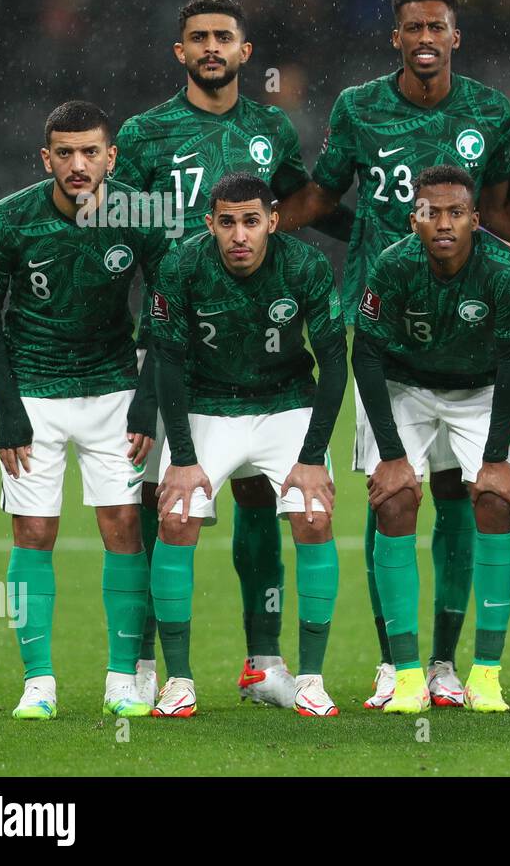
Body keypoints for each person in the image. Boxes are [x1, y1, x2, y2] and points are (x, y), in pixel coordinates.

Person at [277, 0, 510, 708]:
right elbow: (326, 196)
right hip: (386, 318)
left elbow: (493, 211)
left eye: (438, 26)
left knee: (465, 500)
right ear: (395, 38)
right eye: (412, 27)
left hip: (466, 323)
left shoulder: (489, 111)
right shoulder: (357, 107)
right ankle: (396, 665)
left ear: (456, 37)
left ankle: (449, 664)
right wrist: (263, 223)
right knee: (391, 493)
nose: (425, 36)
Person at [0, 101, 168, 719]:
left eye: (90, 152)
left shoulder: (141, 214)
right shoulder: (9, 219)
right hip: (34, 393)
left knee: (125, 530)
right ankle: (38, 683)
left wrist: (145, 400)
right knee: (34, 532)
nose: (78, 165)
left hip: (113, 391)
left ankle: (120, 680)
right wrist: (8, 412)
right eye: (65, 152)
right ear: (46, 157)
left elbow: (166, 309)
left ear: (112, 156)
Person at [148, 174, 348, 718]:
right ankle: (179, 681)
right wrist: (184, 460)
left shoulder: (305, 267)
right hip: (206, 404)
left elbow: (334, 363)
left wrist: (311, 458)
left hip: (286, 404)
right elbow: (165, 360)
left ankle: (309, 679)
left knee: (313, 513)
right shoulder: (182, 265)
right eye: (228, 222)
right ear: (210, 222)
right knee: (176, 516)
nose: (240, 235)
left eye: (252, 221)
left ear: (273, 221)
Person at [352, 165, 510, 713]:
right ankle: (405, 673)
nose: (444, 223)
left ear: (476, 219)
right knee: (396, 499)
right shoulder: (392, 265)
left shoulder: (503, 269)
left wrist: (496, 458)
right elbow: (366, 354)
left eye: (456, 213)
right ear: (414, 220)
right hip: (406, 388)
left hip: (478, 393)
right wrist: (391, 455)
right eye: (431, 213)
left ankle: (484, 673)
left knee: (497, 502)